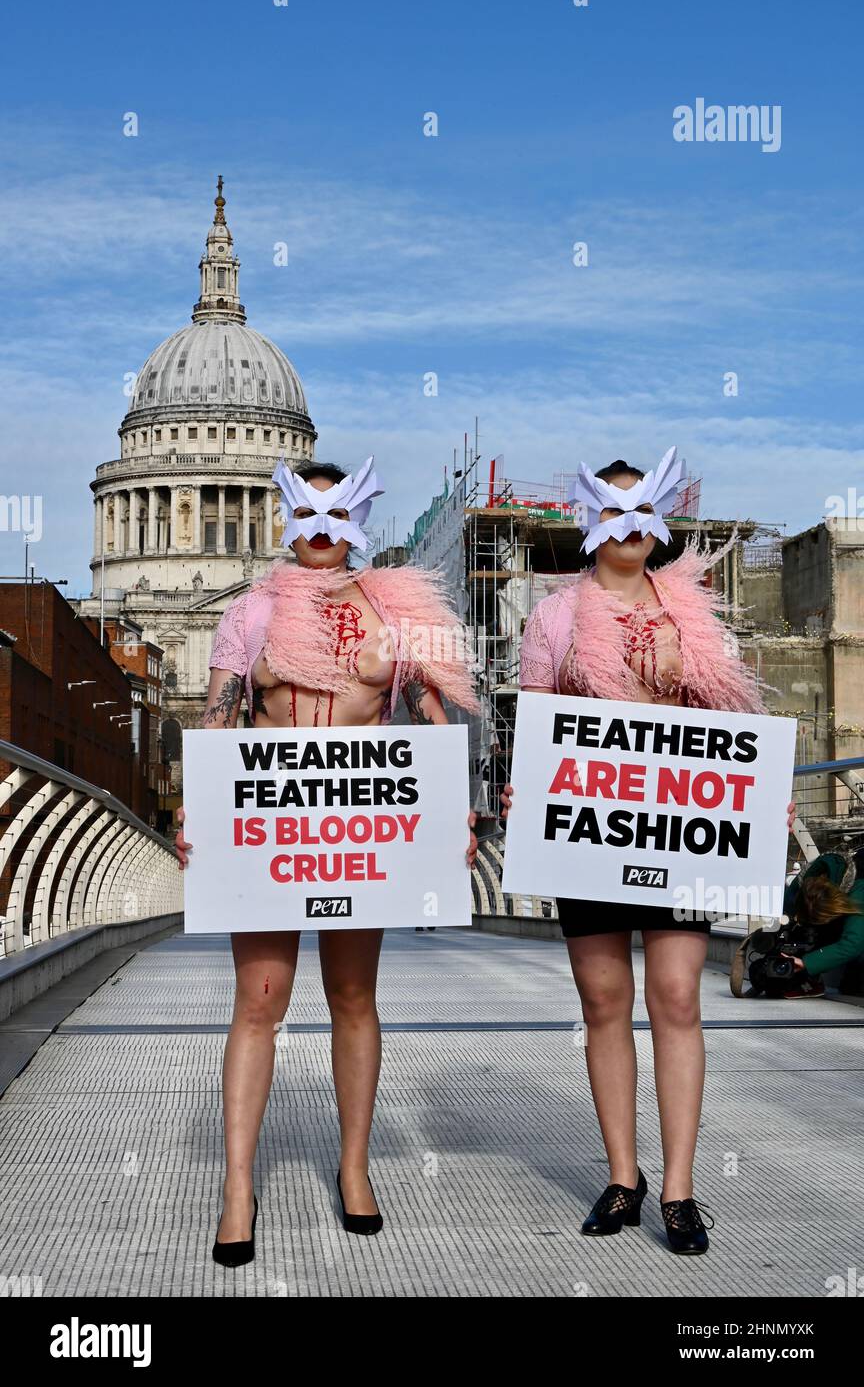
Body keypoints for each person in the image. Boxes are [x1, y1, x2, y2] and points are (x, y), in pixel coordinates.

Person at [175, 456, 479, 1265]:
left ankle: (353, 1170)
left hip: (362, 834)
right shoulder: (250, 613)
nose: (319, 532)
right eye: (305, 515)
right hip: (270, 832)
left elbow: (434, 718)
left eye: (335, 516)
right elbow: (218, 717)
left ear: (361, 519)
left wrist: (454, 810)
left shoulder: (400, 613)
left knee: (352, 994)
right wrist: (192, 806)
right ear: (284, 517)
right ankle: (238, 1187)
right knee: (258, 1000)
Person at [500, 448, 795, 1255]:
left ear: (659, 523)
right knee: (603, 1003)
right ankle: (622, 1177)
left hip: (679, 829)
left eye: (642, 511)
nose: (628, 529)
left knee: (676, 997)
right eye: (612, 510)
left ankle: (680, 1190)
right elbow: (538, 721)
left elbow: (730, 721)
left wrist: (766, 794)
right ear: (590, 522)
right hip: (588, 830)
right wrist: (526, 790)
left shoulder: (691, 612)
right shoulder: (553, 618)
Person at [779, 851, 864, 997]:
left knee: (855, 986)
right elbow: (787, 911)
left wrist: (807, 963)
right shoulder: (799, 887)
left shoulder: (858, 891)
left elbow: (853, 943)